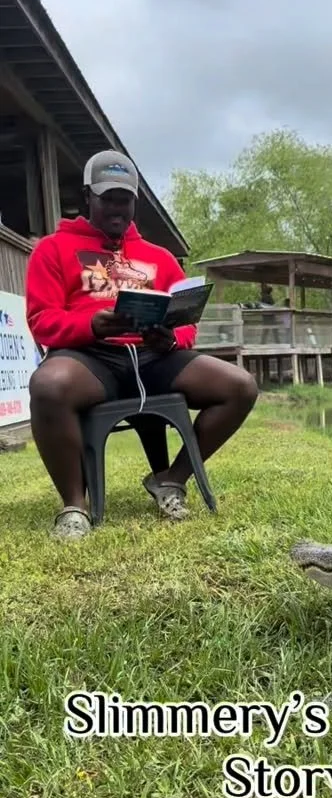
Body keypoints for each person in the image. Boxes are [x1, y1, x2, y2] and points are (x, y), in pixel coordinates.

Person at [26, 149, 258, 540]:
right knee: (49, 384)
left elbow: (187, 323)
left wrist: (171, 338)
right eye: (108, 199)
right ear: (87, 197)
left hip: (154, 356)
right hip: (90, 357)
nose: (117, 209)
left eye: (125, 200)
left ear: (135, 202)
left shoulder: (160, 258)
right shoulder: (52, 249)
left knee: (240, 386)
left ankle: (171, 479)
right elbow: (42, 320)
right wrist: (91, 325)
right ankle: (74, 506)